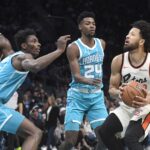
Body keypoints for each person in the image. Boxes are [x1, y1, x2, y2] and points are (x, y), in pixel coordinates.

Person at [0, 28, 70, 150]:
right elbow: (36, 65)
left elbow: (3, 41)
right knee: (35, 133)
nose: (38, 44)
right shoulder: (23, 57)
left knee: (30, 134)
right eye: (34, 41)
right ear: (24, 46)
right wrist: (59, 50)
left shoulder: (10, 54)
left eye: (38, 41)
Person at [97, 20, 150, 150]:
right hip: (126, 107)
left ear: (142, 41)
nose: (127, 36)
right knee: (103, 131)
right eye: (127, 34)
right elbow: (111, 90)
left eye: (132, 34)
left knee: (131, 137)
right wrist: (118, 92)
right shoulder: (118, 60)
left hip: (146, 109)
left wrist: (148, 99)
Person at [59, 11, 108, 150]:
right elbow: (76, 76)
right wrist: (89, 80)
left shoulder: (102, 44)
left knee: (105, 139)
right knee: (71, 141)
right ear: (80, 27)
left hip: (96, 96)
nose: (92, 26)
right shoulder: (73, 47)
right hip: (78, 96)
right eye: (87, 24)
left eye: (93, 24)